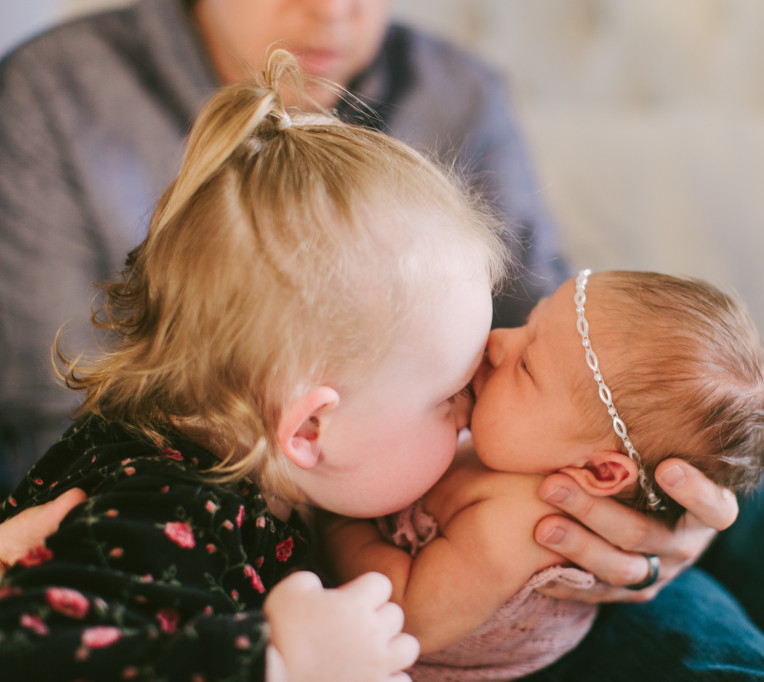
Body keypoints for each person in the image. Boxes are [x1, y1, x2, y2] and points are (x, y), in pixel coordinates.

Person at [0, 49, 510, 681]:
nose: (470, 415)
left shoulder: (239, 461)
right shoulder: (168, 509)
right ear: (309, 429)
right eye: (451, 396)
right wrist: (280, 662)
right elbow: (30, 656)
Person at [0, 0, 570, 492]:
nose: (331, 13)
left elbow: (554, 352)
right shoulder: (54, 91)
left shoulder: (462, 95)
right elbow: (55, 428)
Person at [319, 269, 764, 680]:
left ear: (600, 471)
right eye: (528, 324)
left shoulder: (516, 524)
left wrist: (337, 519)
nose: (498, 339)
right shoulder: (521, 440)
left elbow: (404, 614)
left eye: (525, 366)